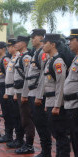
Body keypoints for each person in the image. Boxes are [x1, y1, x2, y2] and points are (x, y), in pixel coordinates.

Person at [39, 34, 70, 157]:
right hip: (50, 101)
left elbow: (60, 85)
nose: (43, 45)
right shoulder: (50, 61)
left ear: (53, 44)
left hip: (57, 104)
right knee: (55, 132)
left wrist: (57, 105)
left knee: (61, 133)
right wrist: (48, 104)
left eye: (45, 42)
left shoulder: (58, 62)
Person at [27, 29, 52, 157]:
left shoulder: (42, 53)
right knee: (38, 122)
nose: (32, 39)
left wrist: (39, 95)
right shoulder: (36, 52)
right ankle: (45, 150)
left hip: (38, 93)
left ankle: (46, 151)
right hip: (33, 92)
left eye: (34, 37)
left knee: (42, 123)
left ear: (41, 37)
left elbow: (43, 75)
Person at [13, 36, 35, 154]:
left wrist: (25, 94)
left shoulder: (26, 58)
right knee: (22, 118)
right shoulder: (20, 57)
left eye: (18, 42)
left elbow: (28, 77)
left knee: (27, 119)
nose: (15, 44)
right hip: (19, 91)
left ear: (24, 44)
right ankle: (24, 142)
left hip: (24, 92)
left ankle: (29, 145)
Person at [64, 29, 78, 157]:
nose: (69, 43)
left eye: (71, 40)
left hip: (76, 105)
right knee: (74, 137)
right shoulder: (75, 58)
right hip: (71, 105)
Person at [0, 41, 11, 143]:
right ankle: (7, 134)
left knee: (8, 113)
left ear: (3, 49)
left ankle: (9, 135)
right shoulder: (1, 59)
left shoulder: (5, 60)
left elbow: (8, 76)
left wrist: (6, 91)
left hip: (5, 88)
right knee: (4, 112)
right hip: (1, 87)